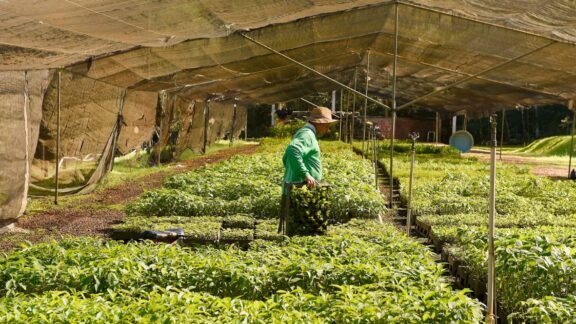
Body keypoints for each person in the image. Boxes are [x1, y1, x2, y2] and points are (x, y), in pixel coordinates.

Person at [279, 107, 337, 233]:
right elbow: (292, 150)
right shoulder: (307, 135)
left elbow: (285, 158)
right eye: (326, 125)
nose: (328, 129)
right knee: (302, 232)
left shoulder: (304, 133)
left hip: (299, 189)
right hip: (300, 190)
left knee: (299, 230)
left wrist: (293, 169)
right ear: (319, 123)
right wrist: (306, 174)